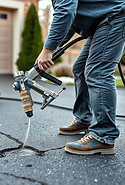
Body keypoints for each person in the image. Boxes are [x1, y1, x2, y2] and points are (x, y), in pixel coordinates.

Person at [35, 0, 125, 155]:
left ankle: (104, 135)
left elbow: (66, 11)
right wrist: (52, 49)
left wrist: (48, 48)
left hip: (114, 17)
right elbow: (70, 21)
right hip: (101, 23)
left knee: (98, 72)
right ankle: (84, 120)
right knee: (80, 69)